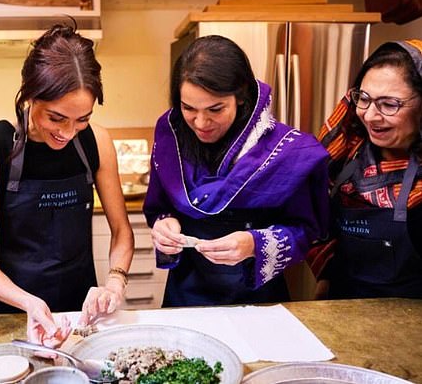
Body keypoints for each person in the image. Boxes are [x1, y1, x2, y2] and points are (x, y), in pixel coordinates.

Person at [0, 23, 134, 347]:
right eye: (56, 118)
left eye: (82, 118)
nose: (69, 132)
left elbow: (122, 232)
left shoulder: (96, 141)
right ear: (29, 95)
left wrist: (115, 283)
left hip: (81, 315)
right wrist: (29, 303)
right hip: (11, 313)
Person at [143, 35, 330, 307]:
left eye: (215, 109)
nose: (200, 122)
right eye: (188, 108)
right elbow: (160, 207)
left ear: (241, 96)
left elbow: (306, 231)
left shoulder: (287, 152)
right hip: (186, 296)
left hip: (259, 301)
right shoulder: (171, 137)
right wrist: (164, 225)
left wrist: (254, 244)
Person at [308, 40, 422, 299]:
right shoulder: (347, 151)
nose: (370, 115)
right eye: (364, 99)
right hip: (343, 311)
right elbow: (314, 213)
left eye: (389, 104)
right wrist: (325, 278)